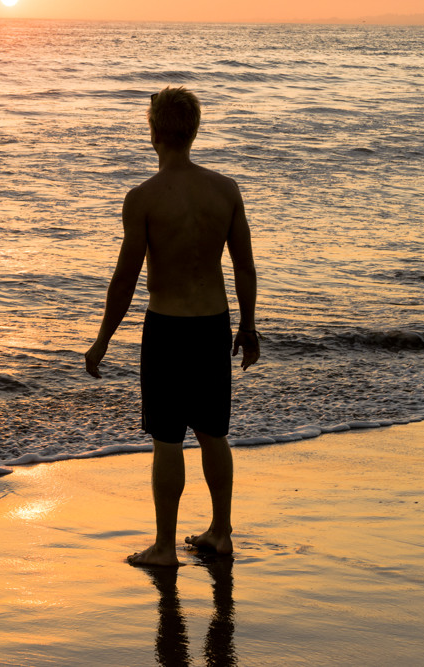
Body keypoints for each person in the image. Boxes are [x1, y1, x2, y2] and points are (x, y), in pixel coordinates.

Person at [85, 87, 260, 567]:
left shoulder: (143, 198)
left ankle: (164, 545)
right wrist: (248, 326)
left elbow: (126, 278)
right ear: (194, 130)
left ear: (154, 132)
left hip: (167, 328)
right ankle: (221, 532)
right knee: (213, 433)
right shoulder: (225, 190)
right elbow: (244, 267)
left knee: (167, 439)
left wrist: (103, 339)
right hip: (212, 326)